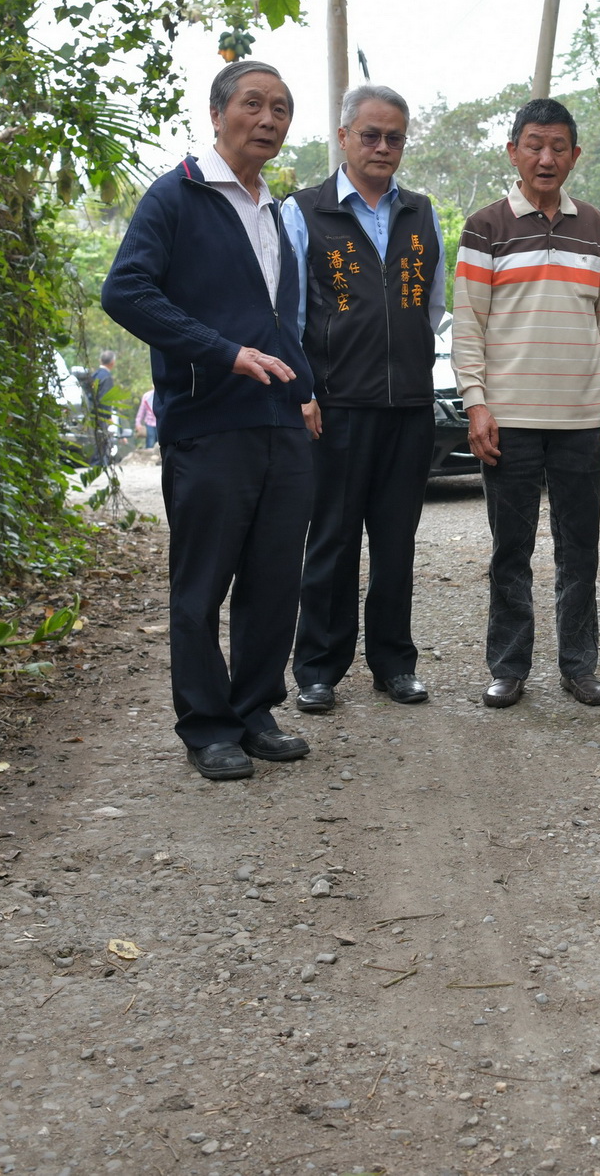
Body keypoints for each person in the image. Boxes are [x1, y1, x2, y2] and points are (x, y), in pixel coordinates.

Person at [100, 60, 321, 781]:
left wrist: (306, 389)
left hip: (280, 423)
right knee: (203, 582)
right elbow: (125, 291)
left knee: (275, 577)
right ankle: (207, 725)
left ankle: (256, 709)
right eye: (253, 104)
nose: (268, 119)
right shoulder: (177, 197)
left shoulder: (275, 210)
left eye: (281, 109)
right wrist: (222, 354)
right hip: (208, 421)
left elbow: (281, 319)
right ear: (218, 111)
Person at [452, 97, 600, 709]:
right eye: (534, 145)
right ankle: (508, 666)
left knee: (580, 549)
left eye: (558, 147)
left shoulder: (596, 228)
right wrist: (476, 403)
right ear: (514, 151)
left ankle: (579, 667)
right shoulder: (486, 227)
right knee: (511, 550)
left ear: (575, 155)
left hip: (580, 418)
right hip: (509, 422)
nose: (546, 158)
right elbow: (468, 326)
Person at [289, 85, 445, 713]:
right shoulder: (305, 211)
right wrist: (305, 389)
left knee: (396, 540)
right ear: (344, 137)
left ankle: (393, 663)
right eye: (372, 135)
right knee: (330, 538)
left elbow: (429, 308)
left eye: (395, 137)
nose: (384, 147)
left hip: (406, 408)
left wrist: (409, 371)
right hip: (337, 406)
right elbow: (291, 311)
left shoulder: (421, 212)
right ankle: (319, 668)